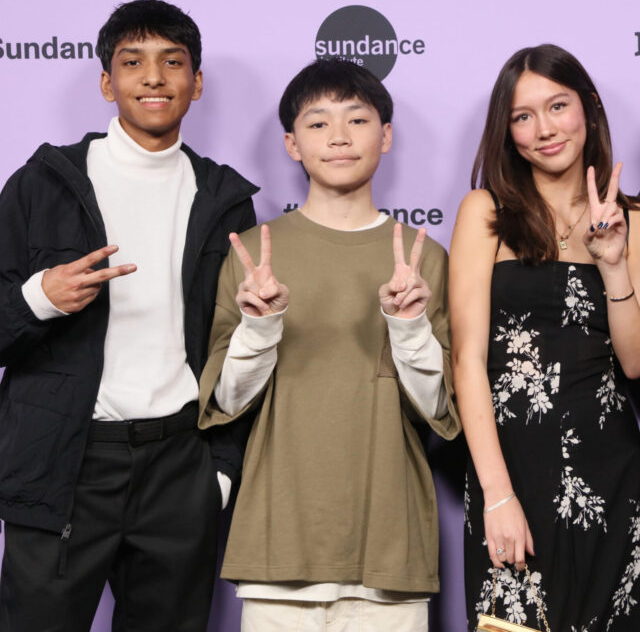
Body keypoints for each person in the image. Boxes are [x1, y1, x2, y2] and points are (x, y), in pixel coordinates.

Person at [0, 0, 258, 631]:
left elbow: (238, 345)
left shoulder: (225, 199)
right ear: (107, 82)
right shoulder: (45, 182)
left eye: (173, 62)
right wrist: (40, 297)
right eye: (132, 62)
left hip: (179, 466)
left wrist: (217, 475)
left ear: (196, 83)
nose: (154, 77)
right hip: (68, 463)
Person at [197, 58, 460, 632]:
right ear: (291, 144)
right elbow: (227, 400)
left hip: (390, 547)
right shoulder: (250, 254)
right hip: (279, 544)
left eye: (357, 120)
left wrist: (408, 323)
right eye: (317, 124)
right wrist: (261, 325)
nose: (339, 137)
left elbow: (439, 408)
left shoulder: (424, 258)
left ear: (386, 136)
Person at [451, 44, 640, 631]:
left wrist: (615, 261)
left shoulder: (637, 217)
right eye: (524, 116)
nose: (544, 129)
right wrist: (497, 495)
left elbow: (636, 362)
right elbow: (467, 361)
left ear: (589, 109)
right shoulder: (485, 212)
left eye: (557, 106)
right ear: (508, 130)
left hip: (611, 471)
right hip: (512, 470)